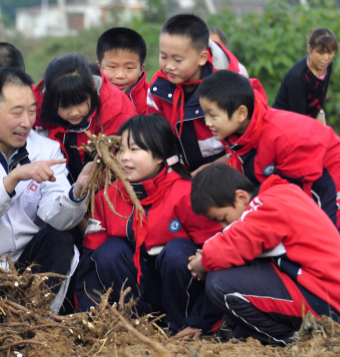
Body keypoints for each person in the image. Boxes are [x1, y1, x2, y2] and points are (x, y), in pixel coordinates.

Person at [0, 67, 91, 312]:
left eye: (32, 111)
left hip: (28, 261)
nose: (27, 122)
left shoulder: (46, 149)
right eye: (17, 112)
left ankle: (36, 316)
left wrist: (77, 193)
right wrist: (12, 180)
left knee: (60, 238)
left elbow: (57, 216)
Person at [76, 114, 222, 339]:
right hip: (140, 299)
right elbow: (91, 262)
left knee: (178, 252)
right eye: (121, 150)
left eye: (134, 150)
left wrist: (203, 320)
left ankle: (182, 327)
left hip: (183, 300)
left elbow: (216, 257)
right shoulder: (107, 196)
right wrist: (85, 317)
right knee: (109, 251)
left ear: (160, 154)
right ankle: (137, 325)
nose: (124, 157)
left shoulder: (186, 193)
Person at [189, 164, 340, 345]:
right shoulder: (281, 194)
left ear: (241, 197)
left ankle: (294, 342)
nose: (225, 227)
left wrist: (202, 262)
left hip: (327, 302)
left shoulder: (269, 205)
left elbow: (234, 244)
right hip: (321, 291)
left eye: (223, 219)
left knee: (219, 283)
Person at [196, 70, 340, 227]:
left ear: (241, 114)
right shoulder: (238, 134)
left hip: (328, 180)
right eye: (205, 114)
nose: (207, 122)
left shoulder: (283, 137)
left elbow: (302, 196)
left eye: (213, 116)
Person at [148, 14, 247, 174]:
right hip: (182, 169)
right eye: (163, 57)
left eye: (178, 60)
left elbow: (245, 142)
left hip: (230, 167)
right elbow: (158, 136)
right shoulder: (158, 88)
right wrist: (174, 169)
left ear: (202, 58)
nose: (169, 66)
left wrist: (209, 171)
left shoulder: (232, 81)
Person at [36, 54, 136, 182]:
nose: (74, 112)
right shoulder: (37, 109)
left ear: (93, 87)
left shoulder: (117, 111)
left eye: (80, 102)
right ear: (51, 100)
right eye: (64, 106)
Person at [273, 28, 337, 124]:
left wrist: (321, 116)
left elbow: (322, 95)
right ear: (309, 49)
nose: (326, 58)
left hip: (309, 119)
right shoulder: (298, 78)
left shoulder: (327, 65)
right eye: (321, 53)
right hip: (284, 123)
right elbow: (298, 119)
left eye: (330, 53)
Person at [96, 27, 149, 114]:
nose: (120, 75)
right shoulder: (89, 98)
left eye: (129, 68)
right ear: (99, 66)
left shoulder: (151, 100)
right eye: (112, 67)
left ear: (141, 69)